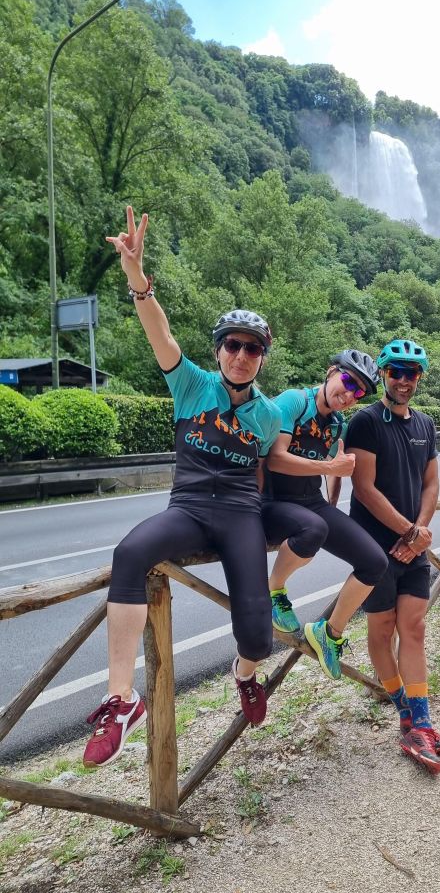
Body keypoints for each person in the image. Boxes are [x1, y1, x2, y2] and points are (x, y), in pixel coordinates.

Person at [83, 207, 281, 768]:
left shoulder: (267, 416)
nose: (241, 356)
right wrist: (136, 277)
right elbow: (159, 332)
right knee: (130, 552)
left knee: (259, 638)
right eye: (232, 346)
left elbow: (272, 471)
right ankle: (121, 700)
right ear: (219, 350)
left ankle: (246, 674)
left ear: (262, 357)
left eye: (252, 348)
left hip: (241, 514)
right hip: (190, 507)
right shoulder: (190, 384)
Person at [345, 339, 440, 774]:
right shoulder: (365, 422)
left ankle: (419, 720)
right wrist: (407, 530)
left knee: (415, 628)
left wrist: (419, 532)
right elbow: (363, 489)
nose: (404, 381)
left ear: (419, 378)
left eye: (412, 374)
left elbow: (431, 483)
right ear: (384, 374)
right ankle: (405, 710)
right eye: (396, 372)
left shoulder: (426, 423)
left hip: (413, 546)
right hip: (374, 545)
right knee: (382, 630)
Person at [263, 351, 389, 679]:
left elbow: (337, 464)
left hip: (311, 502)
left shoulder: (336, 422)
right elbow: (275, 459)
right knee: (313, 528)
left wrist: (333, 500)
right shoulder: (294, 402)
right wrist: (330, 467)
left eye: (357, 392)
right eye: (346, 382)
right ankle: (273, 591)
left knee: (375, 562)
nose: (348, 394)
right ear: (331, 371)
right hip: (272, 500)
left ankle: (328, 633)